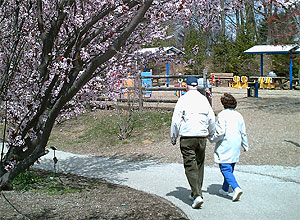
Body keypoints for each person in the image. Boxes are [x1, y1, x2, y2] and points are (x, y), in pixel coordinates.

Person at [170, 76, 215, 209]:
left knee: (190, 165)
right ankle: (196, 191)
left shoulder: (183, 99)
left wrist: (173, 136)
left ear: (186, 86)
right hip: (201, 135)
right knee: (199, 164)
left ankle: (197, 195)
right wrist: (211, 133)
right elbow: (211, 118)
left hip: (188, 136)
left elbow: (175, 120)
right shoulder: (203, 99)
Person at [209, 93, 248, 202]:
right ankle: (225, 189)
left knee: (225, 167)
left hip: (225, 143)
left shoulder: (222, 115)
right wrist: (245, 144)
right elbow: (243, 132)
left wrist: (212, 138)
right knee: (230, 166)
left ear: (223, 104)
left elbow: (220, 132)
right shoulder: (239, 115)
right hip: (236, 142)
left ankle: (236, 187)